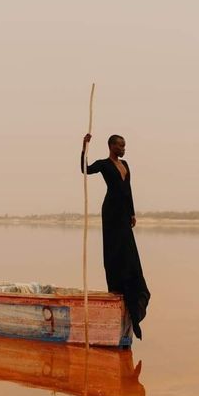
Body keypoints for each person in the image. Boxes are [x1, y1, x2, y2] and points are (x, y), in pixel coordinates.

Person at [81, 134, 150, 339]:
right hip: (110, 212)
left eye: (125, 146)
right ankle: (116, 288)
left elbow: (128, 190)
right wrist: (84, 146)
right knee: (114, 251)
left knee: (129, 253)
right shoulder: (103, 164)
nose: (123, 149)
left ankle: (133, 300)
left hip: (123, 213)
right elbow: (85, 169)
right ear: (111, 146)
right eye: (120, 146)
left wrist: (132, 212)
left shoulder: (126, 164)